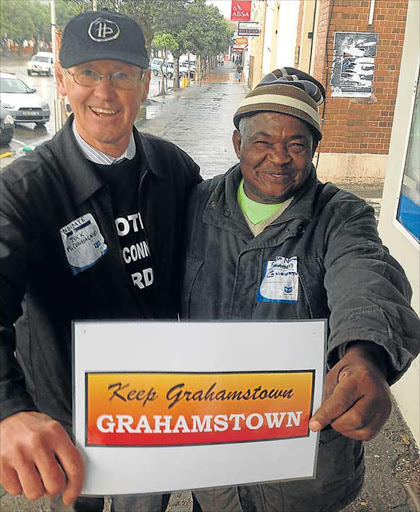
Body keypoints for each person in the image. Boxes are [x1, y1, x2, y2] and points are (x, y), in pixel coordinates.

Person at [181, 68, 420, 512]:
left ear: (314, 150)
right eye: (263, 142)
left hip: (304, 472)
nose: (279, 158)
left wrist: (365, 355)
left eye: (296, 145)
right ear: (237, 144)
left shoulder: (341, 215)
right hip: (211, 459)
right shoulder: (194, 205)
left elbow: (365, 277)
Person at [0, 10, 201, 512]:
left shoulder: (174, 168)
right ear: (64, 79)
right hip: (65, 419)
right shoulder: (23, 189)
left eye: (121, 75)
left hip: (155, 407)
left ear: (146, 82)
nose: (104, 92)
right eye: (88, 73)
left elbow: (219, 259)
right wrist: (8, 409)